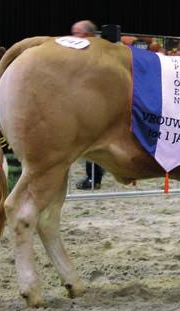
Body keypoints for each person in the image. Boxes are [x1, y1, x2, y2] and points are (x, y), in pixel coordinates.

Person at [70, 20, 104, 190]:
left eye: (78, 33)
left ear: (89, 35)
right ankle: (93, 177)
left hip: (96, 105)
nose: (73, 37)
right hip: (87, 103)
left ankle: (94, 179)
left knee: (92, 143)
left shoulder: (95, 53)